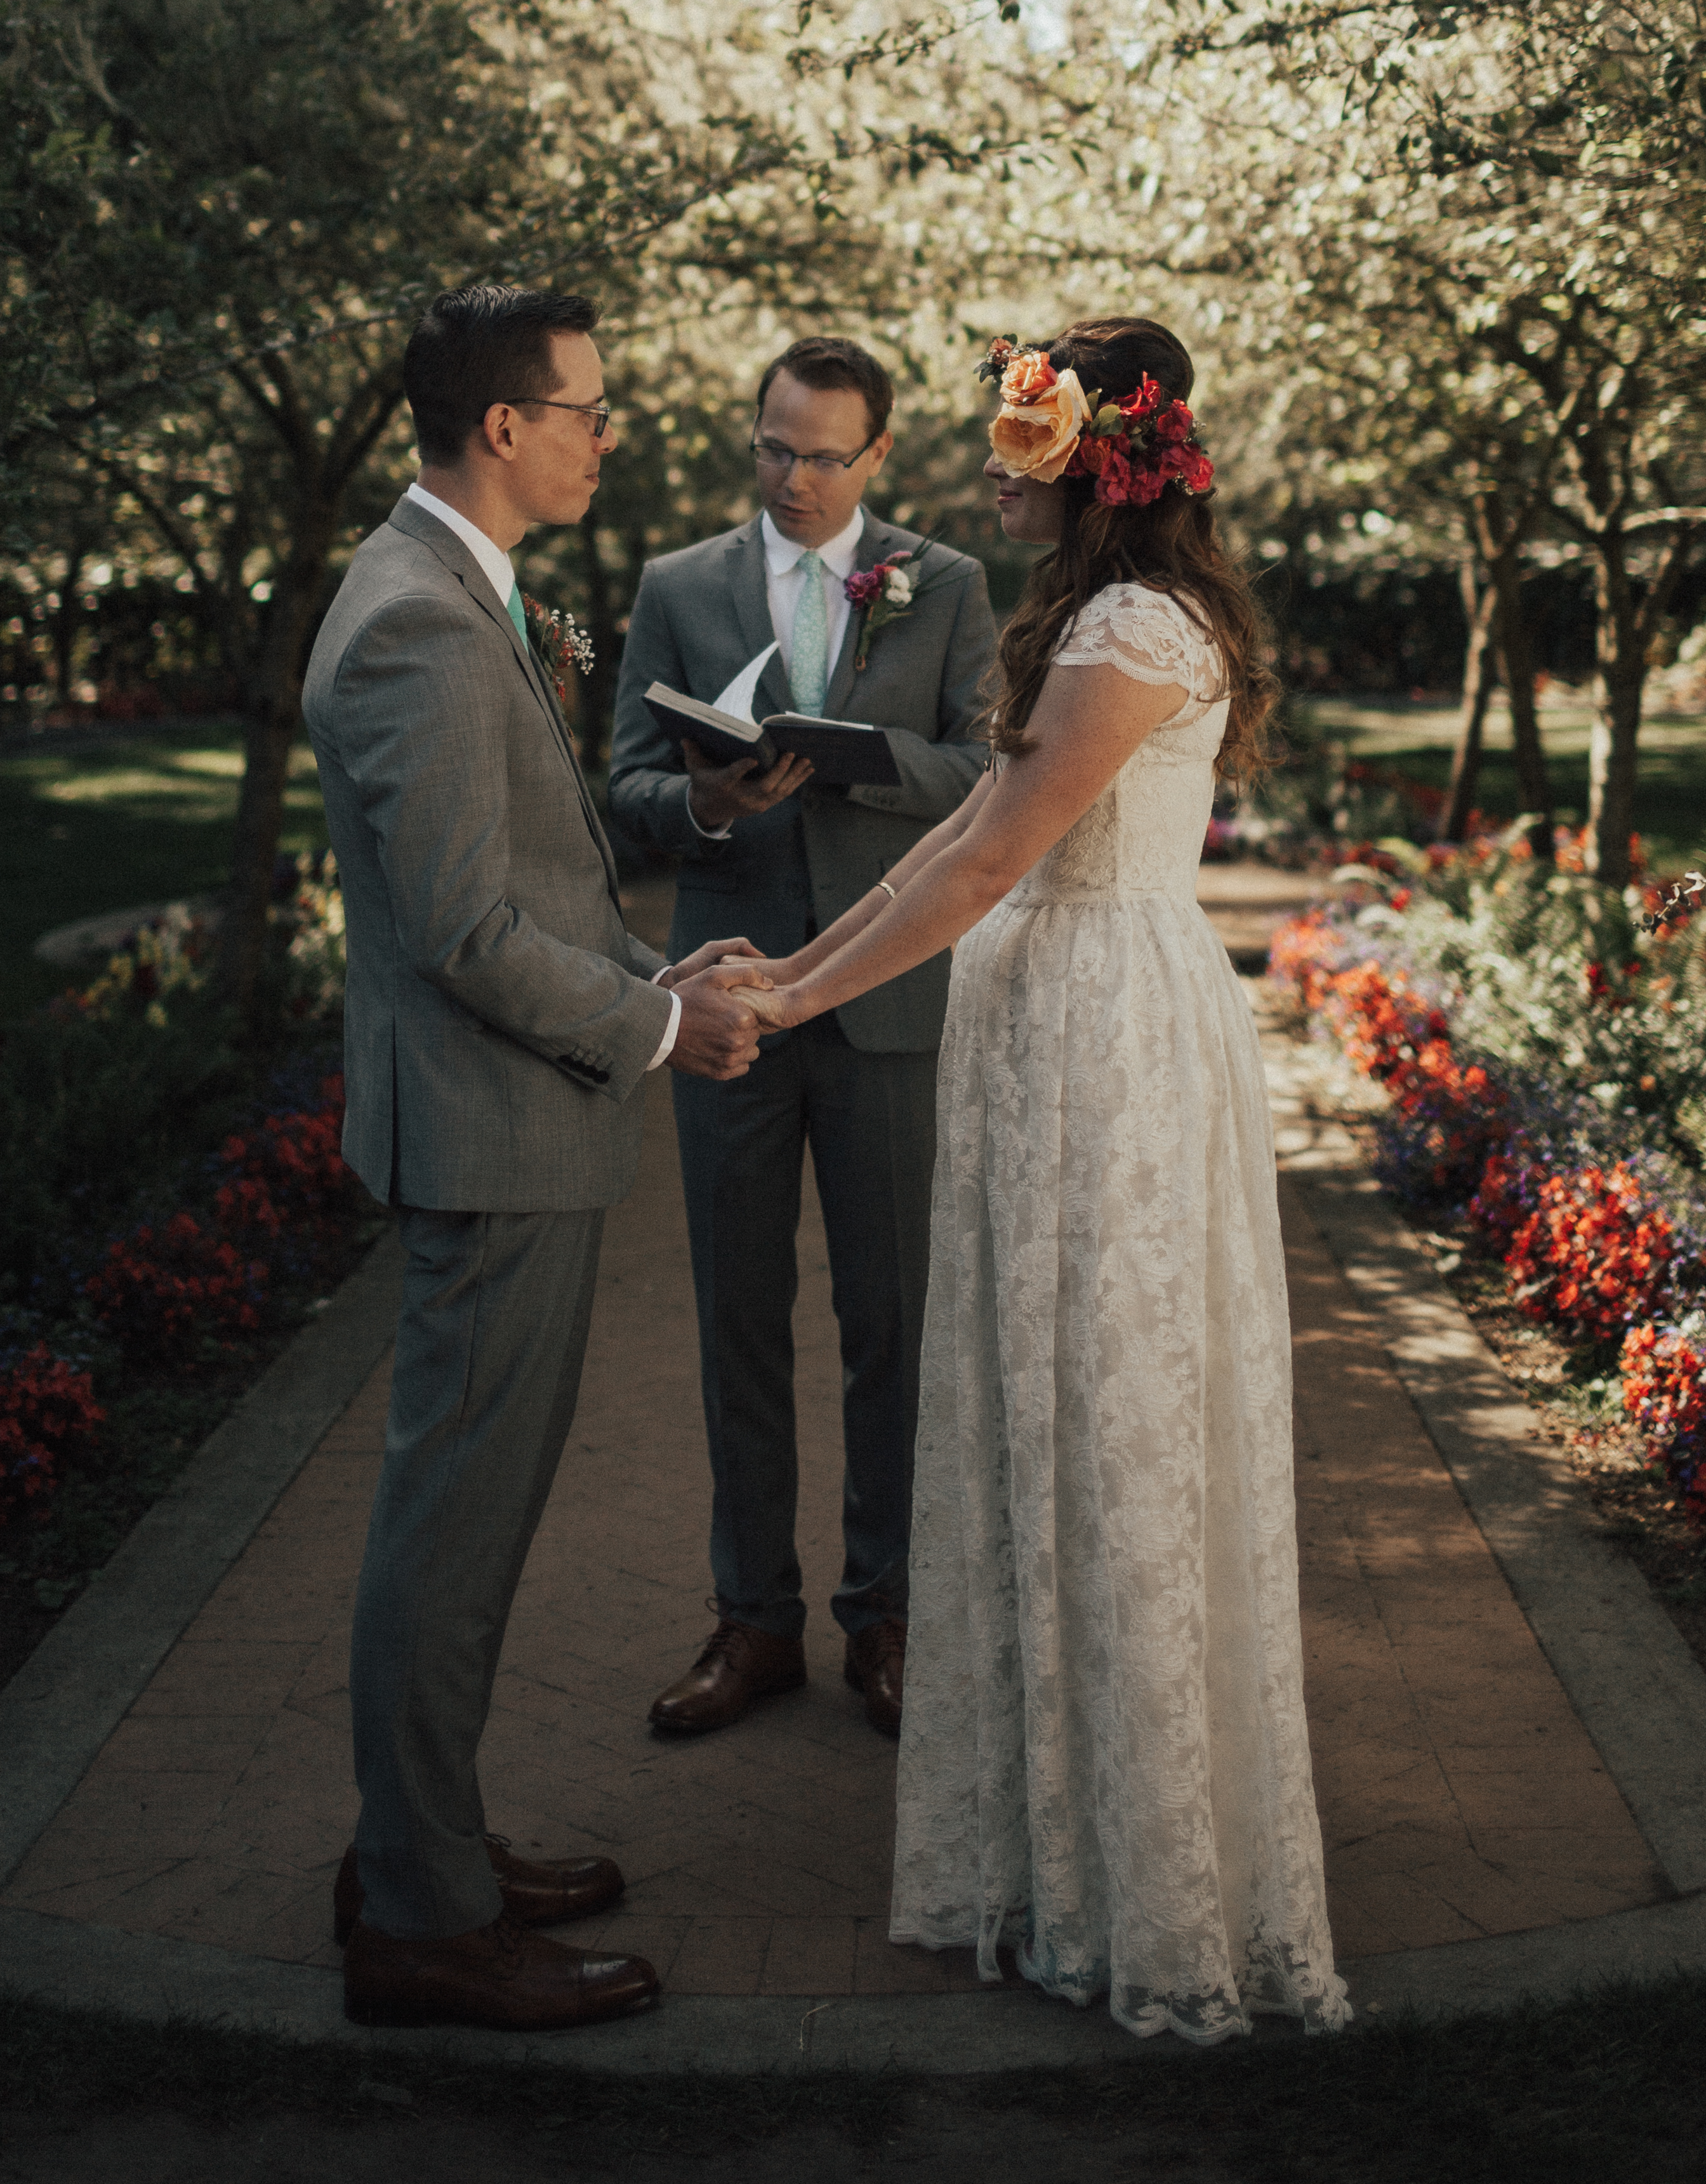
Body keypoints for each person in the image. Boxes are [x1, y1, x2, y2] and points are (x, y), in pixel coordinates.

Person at [748, 318, 1349, 2046]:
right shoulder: (1095, 619)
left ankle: (1142, 1882)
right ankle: (1052, 1841)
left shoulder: (1136, 628)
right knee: (1039, 1420)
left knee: (1114, 1428)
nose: (993, 470)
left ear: (1089, 462)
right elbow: (954, 849)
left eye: (1019, 444)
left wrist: (789, 994)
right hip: (1052, 1027)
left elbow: (992, 855)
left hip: (1109, 1048)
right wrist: (791, 966)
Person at [303, 280, 775, 2032]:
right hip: (494, 1144)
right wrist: (659, 1027)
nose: (606, 431)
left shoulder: (457, 588)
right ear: (503, 426)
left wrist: (661, 966)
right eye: (586, 406)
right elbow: (463, 931)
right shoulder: (418, 619)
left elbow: (538, 883)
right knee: (450, 1531)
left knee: (465, 1522)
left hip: (510, 1127)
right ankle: (421, 1918)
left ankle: (419, 1847)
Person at [607, 334, 996, 1742]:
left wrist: (853, 761)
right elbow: (624, 781)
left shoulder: (945, 585)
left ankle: (882, 1617)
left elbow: (990, 770)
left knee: (889, 1322)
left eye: (823, 455)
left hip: (889, 1001)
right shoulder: (674, 586)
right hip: (730, 1000)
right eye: (774, 447)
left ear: (876, 456)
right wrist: (711, 803)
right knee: (737, 1317)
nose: (793, 477)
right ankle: (750, 1622)